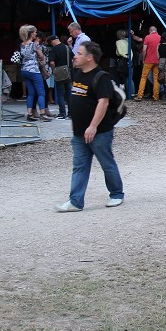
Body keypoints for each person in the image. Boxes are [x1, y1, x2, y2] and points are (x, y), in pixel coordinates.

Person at [56, 41, 124, 211]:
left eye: (79, 53)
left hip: (100, 131)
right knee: (79, 165)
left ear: (89, 57)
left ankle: (116, 194)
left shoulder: (101, 77)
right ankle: (75, 201)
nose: (75, 56)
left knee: (106, 162)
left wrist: (93, 126)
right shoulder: (78, 74)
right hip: (79, 132)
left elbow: (103, 103)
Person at [18, 25, 53, 122]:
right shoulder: (35, 45)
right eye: (34, 32)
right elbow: (41, 56)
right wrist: (40, 59)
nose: (36, 34)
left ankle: (29, 113)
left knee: (31, 93)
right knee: (41, 92)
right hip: (34, 70)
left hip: (24, 70)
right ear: (31, 34)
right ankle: (42, 113)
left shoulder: (22, 44)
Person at [48, 34, 74, 120]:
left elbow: (52, 62)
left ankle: (62, 113)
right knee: (69, 94)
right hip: (68, 73)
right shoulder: (67, 47)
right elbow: (73, 58)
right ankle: (71, 113)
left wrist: (54, 70)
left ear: (53, 41)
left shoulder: (54, 49)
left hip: (59, 73)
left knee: (60, 94)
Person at [136, 26, 162, 101]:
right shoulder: (160, 37)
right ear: (156, 31)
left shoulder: (147, 37)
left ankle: (140, 95)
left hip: (148, 60)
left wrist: (143, 59)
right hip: (157, 60)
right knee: (156, 78)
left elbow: (144, 50)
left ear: (150, 31)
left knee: (143, 77)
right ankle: (156, 96)